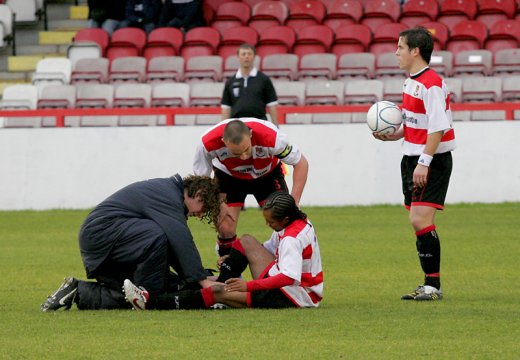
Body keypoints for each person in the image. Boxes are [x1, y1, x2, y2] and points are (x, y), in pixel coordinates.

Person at [40, 174, 221, 311]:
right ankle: (147, 296)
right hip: (102, 236)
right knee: (157, 240)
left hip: (106, 245)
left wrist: (196, 278)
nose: (199, 215)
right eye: (202, 208)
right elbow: (180, 239)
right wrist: (203, 281)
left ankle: (78, 291)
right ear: (198, 193)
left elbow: (173, 245)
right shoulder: (169, 196)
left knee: (153, 287)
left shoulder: (167, 193)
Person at [122, 192, 324, 310]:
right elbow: (270, 249)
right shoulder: (299, 222)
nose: (267, 224)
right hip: (295, 286)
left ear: (285, 219)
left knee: (217, 292)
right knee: (244, 241)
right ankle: (222, 284)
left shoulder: (291, 238)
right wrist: (232, 258)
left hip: (292, 296)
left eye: (271, 221)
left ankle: (150, 302)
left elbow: (289, 277)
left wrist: (248, 286)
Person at [373, 27, 455, 301]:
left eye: (400, 47)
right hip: (412, 158)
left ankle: (433, 287)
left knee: (420, 218)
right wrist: (393, 135)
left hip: (430, 160)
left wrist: (424, 161)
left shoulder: (431, 84)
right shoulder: (411, 82)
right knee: (417, 220)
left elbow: (438, 128)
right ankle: (430, 285)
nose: (396, 52)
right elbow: (414, 124)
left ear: (415, 51)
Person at [193, 118, 309, 257]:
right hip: (228, 176)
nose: (243, 157)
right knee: (225, 225)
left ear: (251, 134)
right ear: (224, 142)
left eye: (247, 149)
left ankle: (283, 268)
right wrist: (213, 203)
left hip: (267, 175)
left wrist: (294, 201)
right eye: (236, 153)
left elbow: (301, 163)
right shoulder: (207, 143)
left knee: (285, 218)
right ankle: (229, 273)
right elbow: (202, 179)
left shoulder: (272, 137)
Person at [221, 44, 279, 126]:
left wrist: (276, 127)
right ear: (238, 57)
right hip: (237, 125)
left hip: (259, 123)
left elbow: (272, 105)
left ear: (254, 56)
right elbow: (226, 108)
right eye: (243, 54)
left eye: (249, 54)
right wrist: (224, 128)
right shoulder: (230, 81)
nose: (246, 57)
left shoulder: (264, 79)